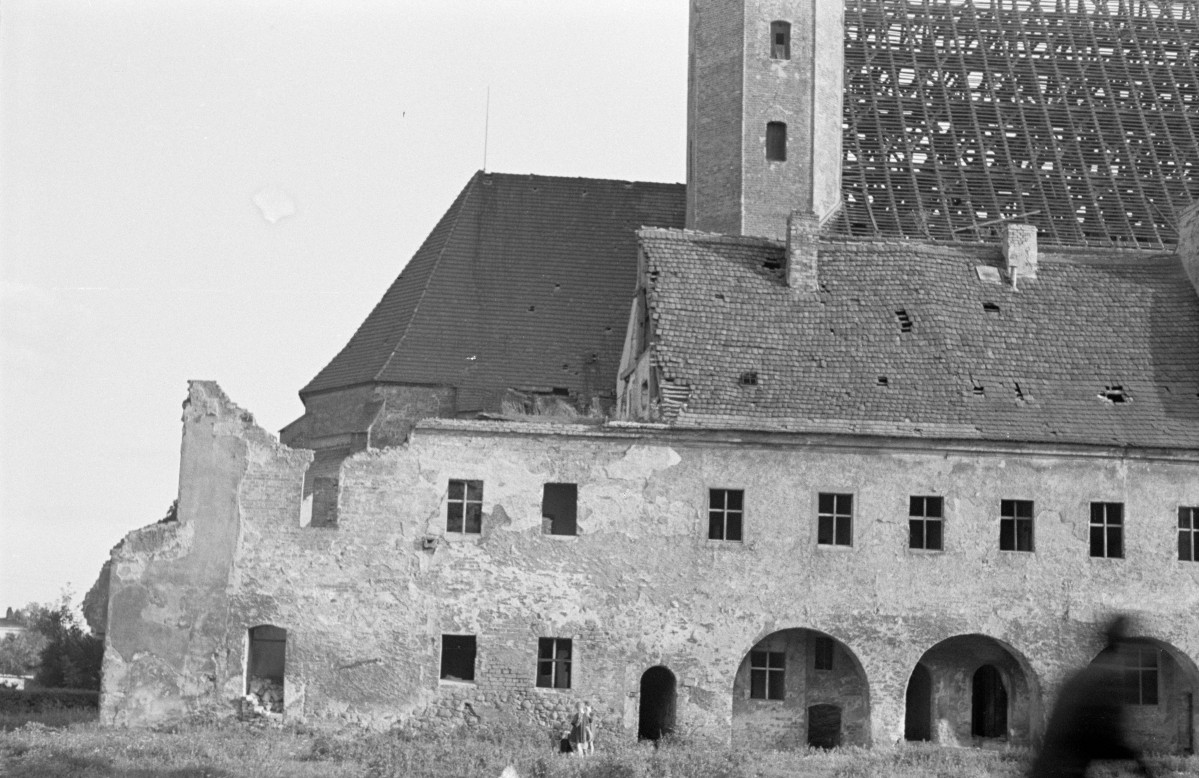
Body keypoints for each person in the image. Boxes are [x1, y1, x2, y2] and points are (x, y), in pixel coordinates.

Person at [1029, 616, 1156, 778]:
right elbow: (1105, 738)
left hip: (1051, 768)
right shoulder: (1106, 679)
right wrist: (1138, 761)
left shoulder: (1083, 676)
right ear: (1122, 649)